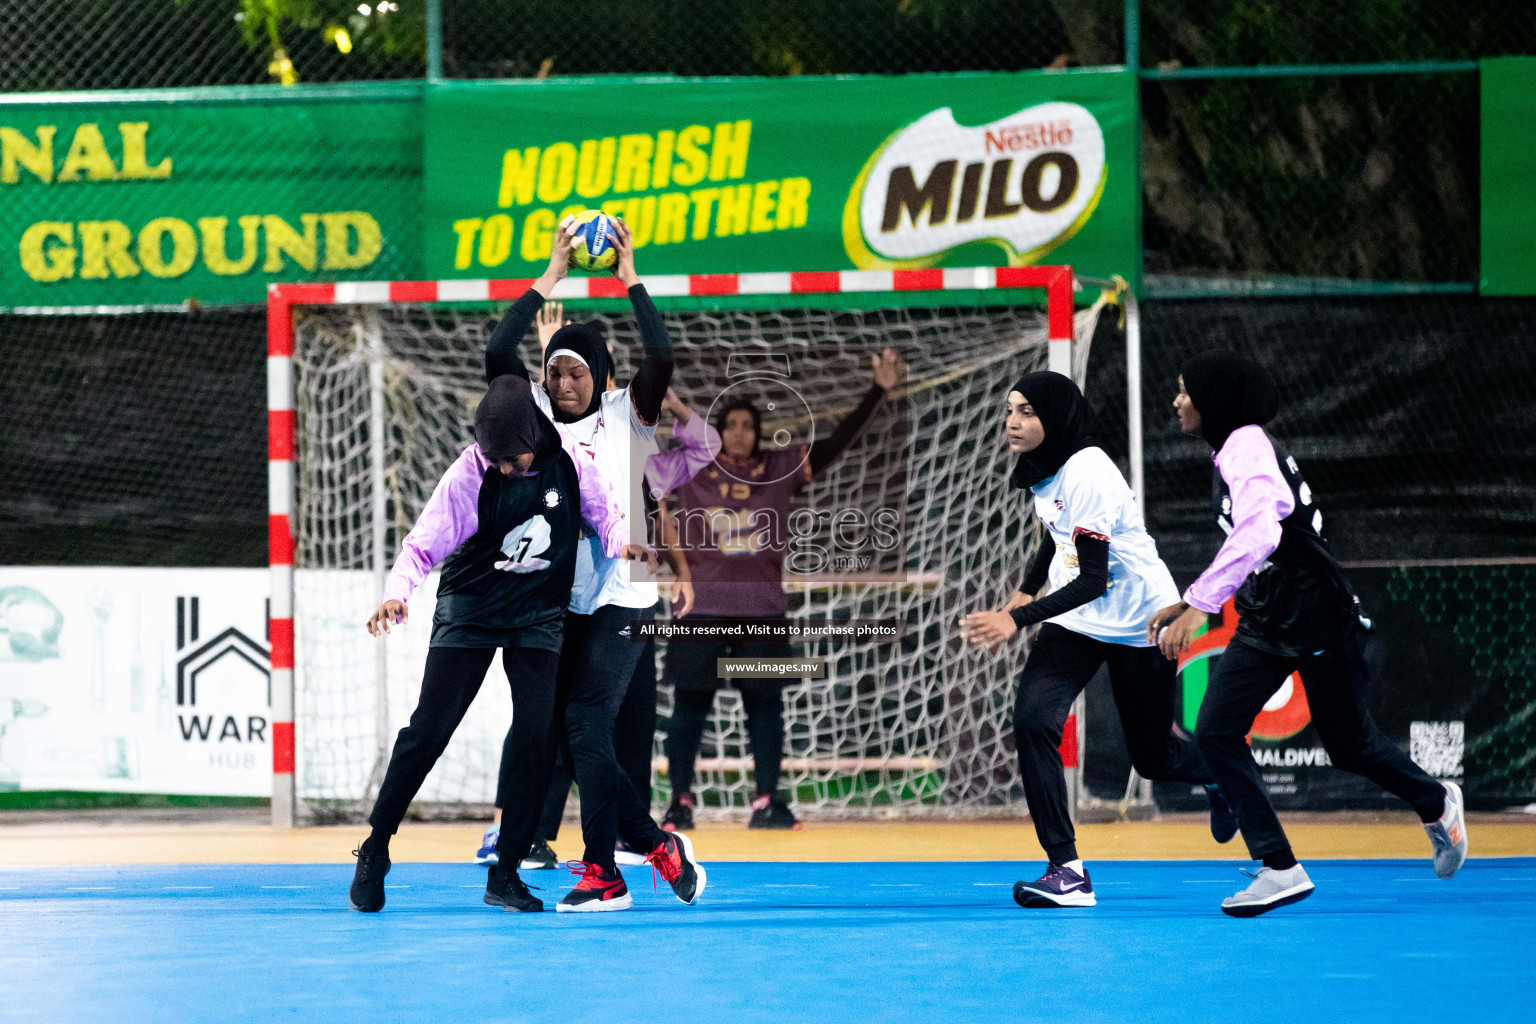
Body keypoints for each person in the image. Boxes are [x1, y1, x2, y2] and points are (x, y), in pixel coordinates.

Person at [1147, 350, 1468, 918]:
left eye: (1184, 391)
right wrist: (1187, 597)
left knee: (1349, 745)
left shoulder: (1245, 444)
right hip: (1270, 615)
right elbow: (1250, 541)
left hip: (1317, 614)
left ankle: (1437, 801)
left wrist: (1200, 604)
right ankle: (1279, 868)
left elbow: (1261, 532)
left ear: (1214, 399)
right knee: (1217, 730)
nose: (1176, 402)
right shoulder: (1231, 449)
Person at [346, 371, 646, 915]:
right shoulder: (469, 474)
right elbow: (420, 547)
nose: (505, 469)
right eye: (496, 460)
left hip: (536, 613)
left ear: (533, 437)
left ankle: (506, 874)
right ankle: (375, 847)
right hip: (474, 606)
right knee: (428, 730)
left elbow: (608, 517)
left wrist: (624, 544)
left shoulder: (573, 466)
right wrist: (397, 593)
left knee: (538, 737)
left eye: (512, 458)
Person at [478, 215, 707, 912]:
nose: (560, 378)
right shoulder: (535, 421)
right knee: (565, 737)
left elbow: (661, 354)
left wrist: (628, 276)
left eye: (574, 369)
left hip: (626, 596)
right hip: (560, 601)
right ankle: (656, 844)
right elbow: (497, 352)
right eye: (554, 370)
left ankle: (603, 870)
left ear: (600, 377)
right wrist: (551, 274)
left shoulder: (626, 415)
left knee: (583, 723)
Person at [960, 371, 1231, 909]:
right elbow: (1054, 531)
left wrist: (1018, 618)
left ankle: (1226, 775)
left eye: (1028, 412)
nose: (1013, 421)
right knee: (1034, 720)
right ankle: (1067, 871)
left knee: (1153, 760)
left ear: (1056, 418)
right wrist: (1026, 589)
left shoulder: (1087, 470)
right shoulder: (1049, 464)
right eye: (1011, 409)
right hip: (1078, 619)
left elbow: (1094, 579)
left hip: (1140, 620)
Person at [658, 348, 906, 831]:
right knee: (690, 702)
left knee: (765, 703)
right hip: (700, 608)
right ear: (717, 430)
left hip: (761, 610)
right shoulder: (688, 465)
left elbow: (835, 446)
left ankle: (766, 801)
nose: (738, 432)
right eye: (729, 424)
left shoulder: (779, 468)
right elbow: (651, 501)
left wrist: (878, 390)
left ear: (759, 433)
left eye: (747, 425)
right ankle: (679, 803)